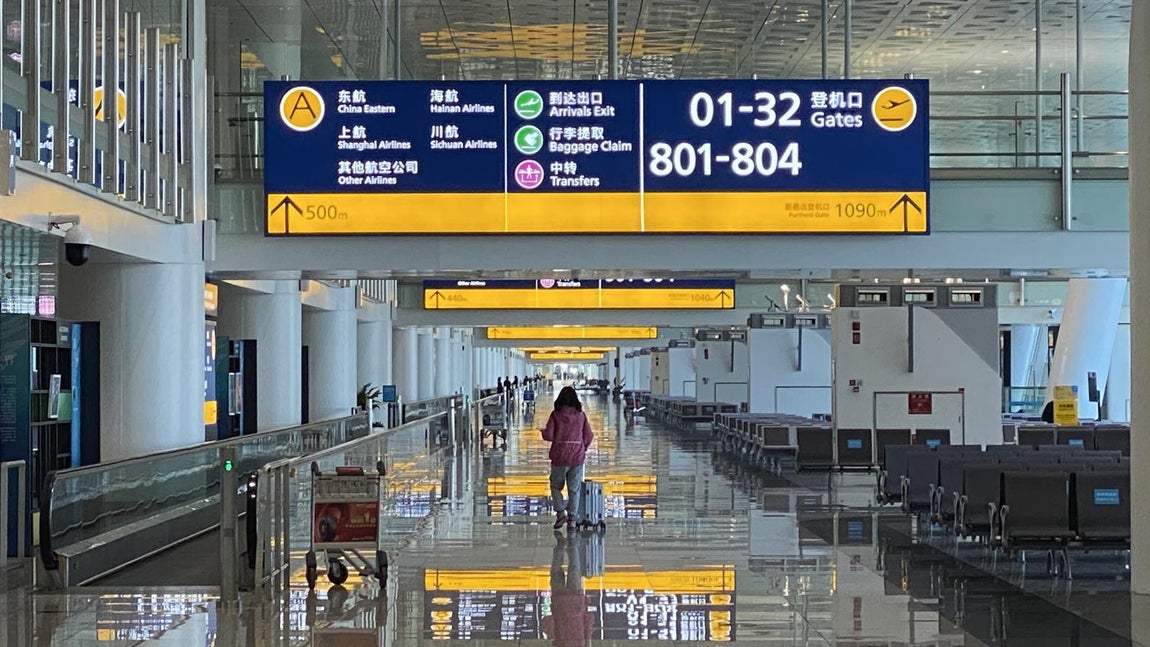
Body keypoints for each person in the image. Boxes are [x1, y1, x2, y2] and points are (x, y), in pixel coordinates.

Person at [542, 386, 594, 530]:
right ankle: (572, 520)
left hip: (559, 457)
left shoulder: (555, 415)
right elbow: (589, 436)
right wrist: (583, 448)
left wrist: (543, 432)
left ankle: (560, 514)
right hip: (576, 457)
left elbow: (549, 435)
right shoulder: (581, 416)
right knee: (574, 489)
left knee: (555, 486)